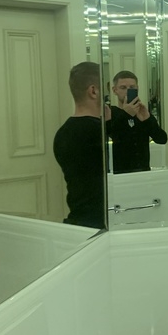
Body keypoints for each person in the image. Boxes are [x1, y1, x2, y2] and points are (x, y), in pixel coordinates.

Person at [53, 61, 108, 230]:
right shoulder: (99, 133)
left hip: (77, 221)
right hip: (101, 224)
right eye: (104, 89)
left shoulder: (61, 134)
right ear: (93, 91)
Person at [107, 71, 167, 173]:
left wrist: (148, 119)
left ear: (137, 88)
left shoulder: (142, 112)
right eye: (123, 87)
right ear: (114, 90)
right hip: (121, 174)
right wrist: (126, 114)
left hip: (144, 172)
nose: (127, 91)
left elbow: (162, 139)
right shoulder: (111, 113)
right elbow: (112, 134)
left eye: (132, 87)